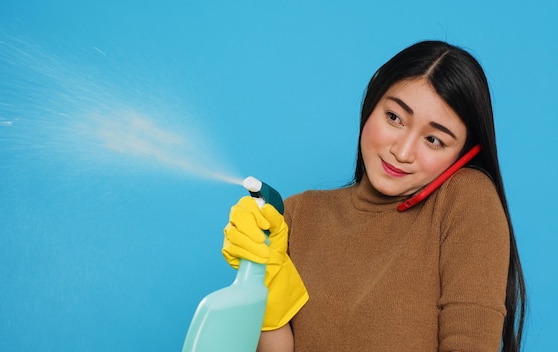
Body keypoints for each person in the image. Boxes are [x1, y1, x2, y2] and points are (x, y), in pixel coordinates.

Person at [222, 40, 526, 352]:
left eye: (433, 139)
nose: (402, 151)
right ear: (372, 102)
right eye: (395, 117)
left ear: (463, 154)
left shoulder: (463, 199)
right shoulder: (296, 216)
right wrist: (261, 279)